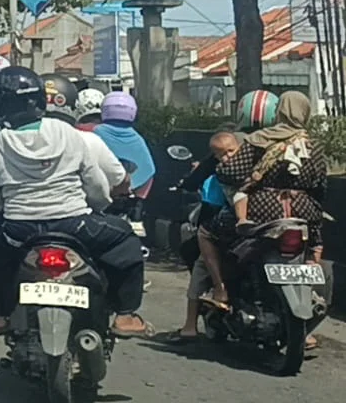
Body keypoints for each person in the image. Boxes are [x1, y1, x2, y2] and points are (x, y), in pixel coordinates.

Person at [0, 66, 149, 337]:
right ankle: (125, 316)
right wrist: (98, 208)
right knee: (127, 241)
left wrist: (7, 214)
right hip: (75, 225)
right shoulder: (70, 134)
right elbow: (96, 185)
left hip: (18, 230)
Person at [201, 90, 327, 319]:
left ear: (279, 111)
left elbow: (231, 172)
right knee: (315, 243)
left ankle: (220, 289)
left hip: (261, 212)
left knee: (207, 232)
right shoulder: (314, 145)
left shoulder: (259, 140)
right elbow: (319, 185)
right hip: (303, 212)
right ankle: (310, 289)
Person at [170, 132, 242, 343]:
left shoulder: (219, 171)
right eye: (223, 154)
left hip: (232, 227)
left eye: (231, 151)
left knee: (202, 259)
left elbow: (210, 206)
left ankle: (192, 323)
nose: (227, 157)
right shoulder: (265, 156)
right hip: (269, 222)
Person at [90, 92, 156, 196]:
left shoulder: (94, 133)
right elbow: (149, 170)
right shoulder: (138, 139)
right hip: (133, 195)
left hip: (99, 193)